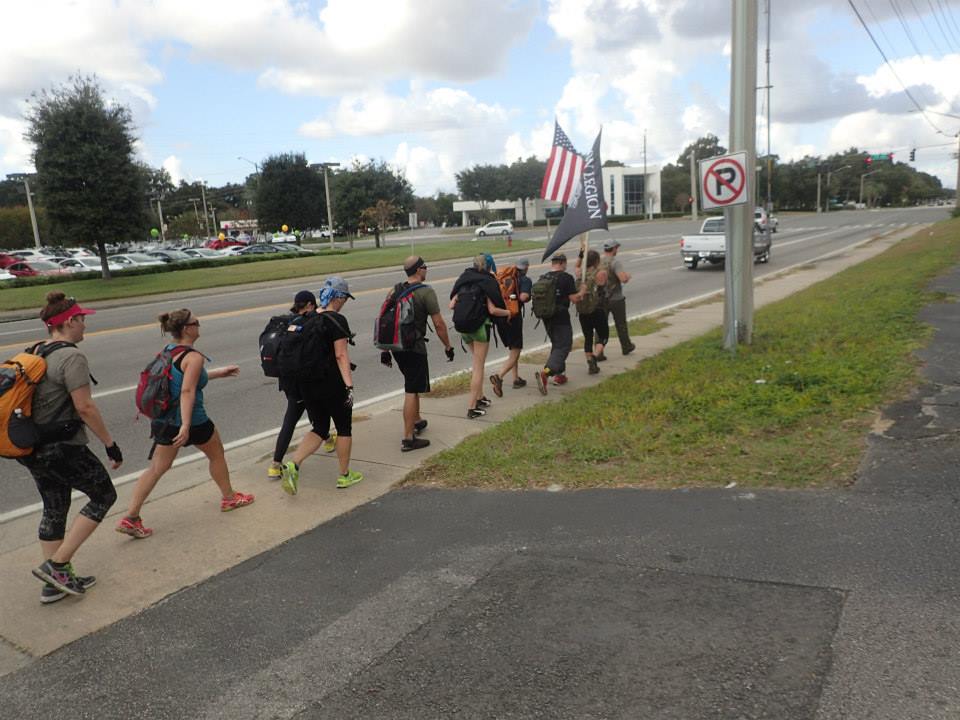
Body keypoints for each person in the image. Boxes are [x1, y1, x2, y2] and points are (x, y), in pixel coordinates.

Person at [18, 293, 122, 602]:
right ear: (69, 321)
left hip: (33, 447)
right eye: (82, 319)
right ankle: (57, 566)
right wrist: (110, 443)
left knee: (54, 507)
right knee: (104, 495)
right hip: (63, 447)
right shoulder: (71, 357)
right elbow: (85, 407)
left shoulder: (35, 350)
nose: (85, 325)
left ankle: (54, 585)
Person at [116, 309, 253, 539]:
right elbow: (187, 390)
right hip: (192, 421)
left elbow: (184, 378)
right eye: (196, 322)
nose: (199, 325)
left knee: (157, 468)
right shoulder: (194, 357)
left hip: (164, 420)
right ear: (187, 329)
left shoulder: (170, 351)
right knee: (216, 454)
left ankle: (131, 517)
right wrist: (186, 426)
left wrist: (219, 373)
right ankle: (229, 498)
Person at [280, 277, 362, 495]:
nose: (345, 302)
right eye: (345, 298)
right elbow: (341, 355)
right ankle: (344, 475)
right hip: (332, 384)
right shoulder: (337, 320)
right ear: (339, 297)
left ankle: (294, 464)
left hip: (307, 384)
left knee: (320, 428)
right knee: (343, 428)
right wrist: (349, 386)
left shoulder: (307, 317)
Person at [381, 256, 455, 451]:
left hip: (396, 347)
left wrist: (385, 349)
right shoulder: (426, 292)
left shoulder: (395, 290)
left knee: (411, 382)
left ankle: (417, 420)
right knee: (411, 390)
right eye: (425, 266)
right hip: (414, 347)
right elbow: (439, 324)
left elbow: (386, 321)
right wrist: (448, 346)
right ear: (418, 270)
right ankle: (408, 438)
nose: (426, 269)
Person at [267, 290, 336, 481]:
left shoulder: (286, 324)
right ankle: (275, 464)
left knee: (307, 415)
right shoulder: (310, 323)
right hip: (306, 380)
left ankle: (328, 439)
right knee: (295, 419)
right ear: (310, 305)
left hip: (287, 380)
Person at [449, 254, 510, 418]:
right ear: (489, 267)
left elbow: (451, 305)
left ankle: (480, 397)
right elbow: (492, 310)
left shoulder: (464, 280)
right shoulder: (487, 282)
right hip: (480, 328)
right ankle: (472, 407)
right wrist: (508, 312)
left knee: (478, 363)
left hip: (463, 329)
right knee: (478, 366)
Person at [535, 253, 583, 395]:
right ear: (562, 263)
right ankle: (546, 372)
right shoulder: (566, 278)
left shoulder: (544, 277)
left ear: (553, 263)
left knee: (557, 344)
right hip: (561, 317)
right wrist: (582, 291)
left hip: (546, 317)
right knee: (564, 345)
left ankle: (560, 375)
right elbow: (574, 299)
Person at [489, 257, 533, 396]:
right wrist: (529, 295)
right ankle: (499, 377)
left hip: (500, 317)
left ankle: (516, 378)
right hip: (513, 318)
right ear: (526, 267)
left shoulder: (504, 278)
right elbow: (523, 297)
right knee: (516, 351)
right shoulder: (525, 280)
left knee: (513, 349)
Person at [599, 239, 635, 359]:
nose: (617, 250)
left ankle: (599, 352)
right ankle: (626, 346)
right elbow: (622, 279)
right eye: (616, 248)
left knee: (601, 326)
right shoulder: (615, 263)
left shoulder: (599, 262)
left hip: (602, 299)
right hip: (616, 299)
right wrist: (627, 276)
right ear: (613, 249)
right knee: (621, 325)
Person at [576, 250, 609, 375]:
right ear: (596, 261)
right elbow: (603, 282)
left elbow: (576, 266)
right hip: (597, 309)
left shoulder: (580, 273)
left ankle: (590, 363)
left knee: (588, 338)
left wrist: (581, 255)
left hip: (583, 312)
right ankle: (595, 356)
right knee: (603, 335)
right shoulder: (600, 273)